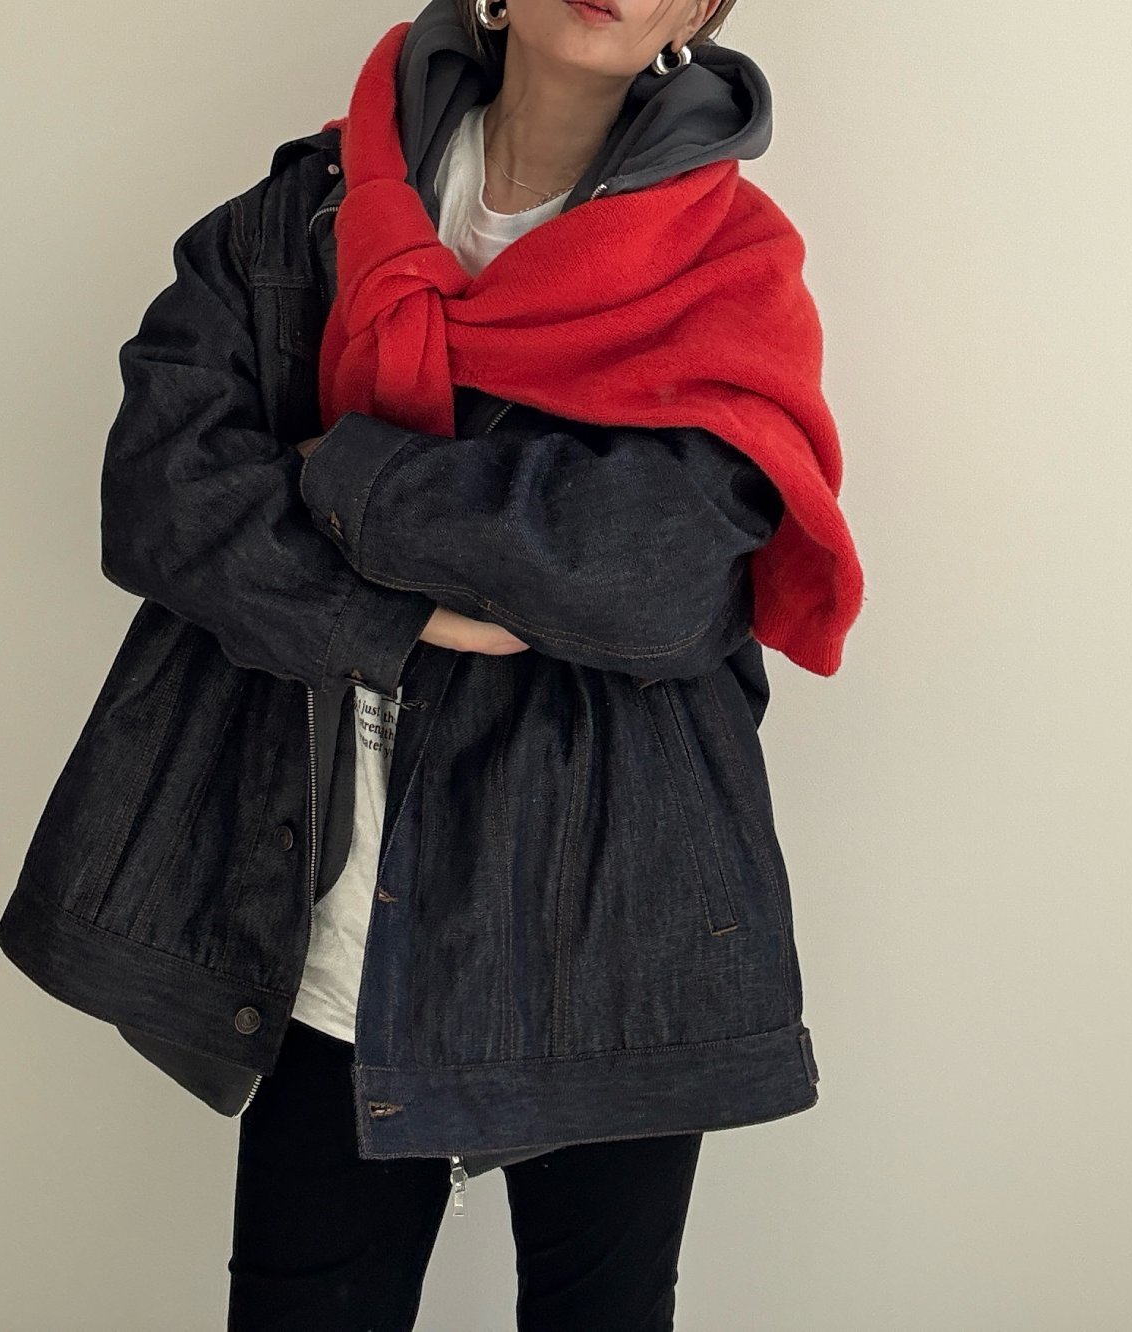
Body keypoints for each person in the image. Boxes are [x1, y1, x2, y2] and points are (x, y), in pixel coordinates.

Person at [228, 3, 773, 1328]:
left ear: (701, 9)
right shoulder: (316, 207)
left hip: (618, 917)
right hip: (341, 925)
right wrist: (399, 618)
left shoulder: (728, 258)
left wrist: (341, 472)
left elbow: (655, 579)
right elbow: (157, 491)